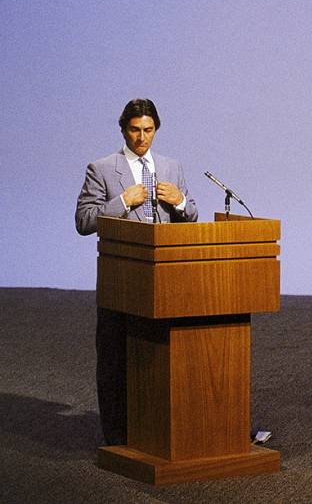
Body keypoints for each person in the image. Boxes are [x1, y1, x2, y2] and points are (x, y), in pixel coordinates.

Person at [75, 99, 197, 445]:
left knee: (161, 358)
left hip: (167, 282)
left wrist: (180, 202)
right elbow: (84, 221)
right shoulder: (101, 169)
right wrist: (124, 202)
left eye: (148, 130)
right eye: (134, 130)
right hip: (123, 282)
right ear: (123, 129)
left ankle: (157, 430)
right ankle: (117, 438)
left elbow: (191, 217)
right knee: (116, 360)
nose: (141, 138)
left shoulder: (171, 167)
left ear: (155, 129)